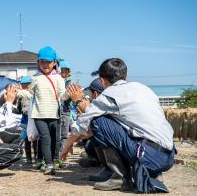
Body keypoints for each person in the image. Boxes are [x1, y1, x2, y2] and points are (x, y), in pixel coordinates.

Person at [61, 58, 175, 193]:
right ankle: (152, 173)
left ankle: (119, 178)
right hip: (168, 156)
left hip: (147, 155)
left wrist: (66, 147)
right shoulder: (143, 89)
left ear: (102, 80)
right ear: (125, 75)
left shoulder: (109, 95)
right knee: (111, 121)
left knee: (98, 121)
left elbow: (82, 124)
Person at [29, 46, 69, 175]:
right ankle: (49, 165)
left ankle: (52, 160)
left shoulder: (59, 79)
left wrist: (69, 95)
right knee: (45, 138)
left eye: (48, 62)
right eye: (42, 62)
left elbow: (62, 96)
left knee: (54, 140)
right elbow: (29, 94)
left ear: (54, 63)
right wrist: (19, 93)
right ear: (38, 62)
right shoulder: (35, 78)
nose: (45, 64)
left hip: (54, 114)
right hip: (39, 114)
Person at [17, 76, 38, 164]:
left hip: (32, 118)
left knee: (34, 139)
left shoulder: (31, 94)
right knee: (27, 140)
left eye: (26, 84)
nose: (24, 86)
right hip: (25, 119)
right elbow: (19, 107)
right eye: (23, 84)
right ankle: (30, 158)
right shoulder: (21, 95)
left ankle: (35, 157)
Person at [59, 61, 73, 154]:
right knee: (56, 135)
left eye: (65, 72)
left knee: (64, 135)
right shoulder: (54, 81)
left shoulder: (69, 84)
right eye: (62, 71)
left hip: (65, 111)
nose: (64, 74)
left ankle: (62, 155)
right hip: (55, 111)